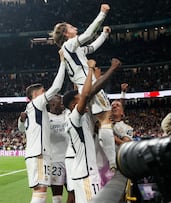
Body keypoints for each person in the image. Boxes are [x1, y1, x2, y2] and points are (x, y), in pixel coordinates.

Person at [51, 4, 117, 173]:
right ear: (66, 33)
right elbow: (88, 34)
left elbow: (92, 47)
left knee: (93, 128)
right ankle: (113, 163)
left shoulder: (73, 50)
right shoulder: (69, 46)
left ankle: (97, 164)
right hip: (90, 87)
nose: (75, 28)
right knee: (105, 121)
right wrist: (102, 14)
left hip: (82, 91)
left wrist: (104, 34)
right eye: (71, 27)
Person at [63, 58, 121, 203]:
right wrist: (92, 70)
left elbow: (92, 92)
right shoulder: (74, 116)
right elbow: (88, 93)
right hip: (86, 174)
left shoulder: (80, 118)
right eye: (79, 99)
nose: (84, 100)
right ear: (73, 104)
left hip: (84, 173)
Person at [21, 49, 66, 203]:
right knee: (40, 190)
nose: (46, 93)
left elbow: (21, 128)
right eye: (43, 91)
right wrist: (63, 62)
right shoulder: (37, 103)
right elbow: (57, 87)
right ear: (36, 94)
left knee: (40, 189)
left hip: (38, 153)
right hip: (39, 153)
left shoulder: (32, 109)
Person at [47, 95, 74, 203]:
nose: (63, 103)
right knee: (57, 195)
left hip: (71, 159)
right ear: (52, 104)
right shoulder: (46, 117)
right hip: (55, 161)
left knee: (73, 191)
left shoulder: (67, 113)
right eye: (60, 101)